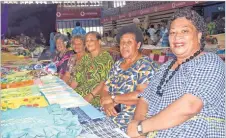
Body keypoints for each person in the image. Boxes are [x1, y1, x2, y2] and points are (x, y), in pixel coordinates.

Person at [127, 8, 225, 138]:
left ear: (199, 35)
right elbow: (144, 99)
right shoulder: (165, 68)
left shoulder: (210, 61)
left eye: (185, 31)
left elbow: (190, 106)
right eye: (172, 33)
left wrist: (141, 127)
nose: (177, 37)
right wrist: (138, 128)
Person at [100, 24, 158, 131]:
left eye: (129, 42)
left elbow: (142, 96)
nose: (124, 46)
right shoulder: (118, 64)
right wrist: (106, 103)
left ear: (138, 45)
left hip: (128, 120)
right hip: (106, 112)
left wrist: (113, 99)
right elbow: (105, 88)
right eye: (122, 42)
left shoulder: (145, 65)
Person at [69, 31, 114, 107]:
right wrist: (69, 92)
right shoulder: (86, 58)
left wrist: (90, 96)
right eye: (86, 41)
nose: (88, 43)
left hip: (95, 97)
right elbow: (77, 78)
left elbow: (105, 82)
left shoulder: (106, 58)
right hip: (80, 94)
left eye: (91, 40)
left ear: (99, 41)